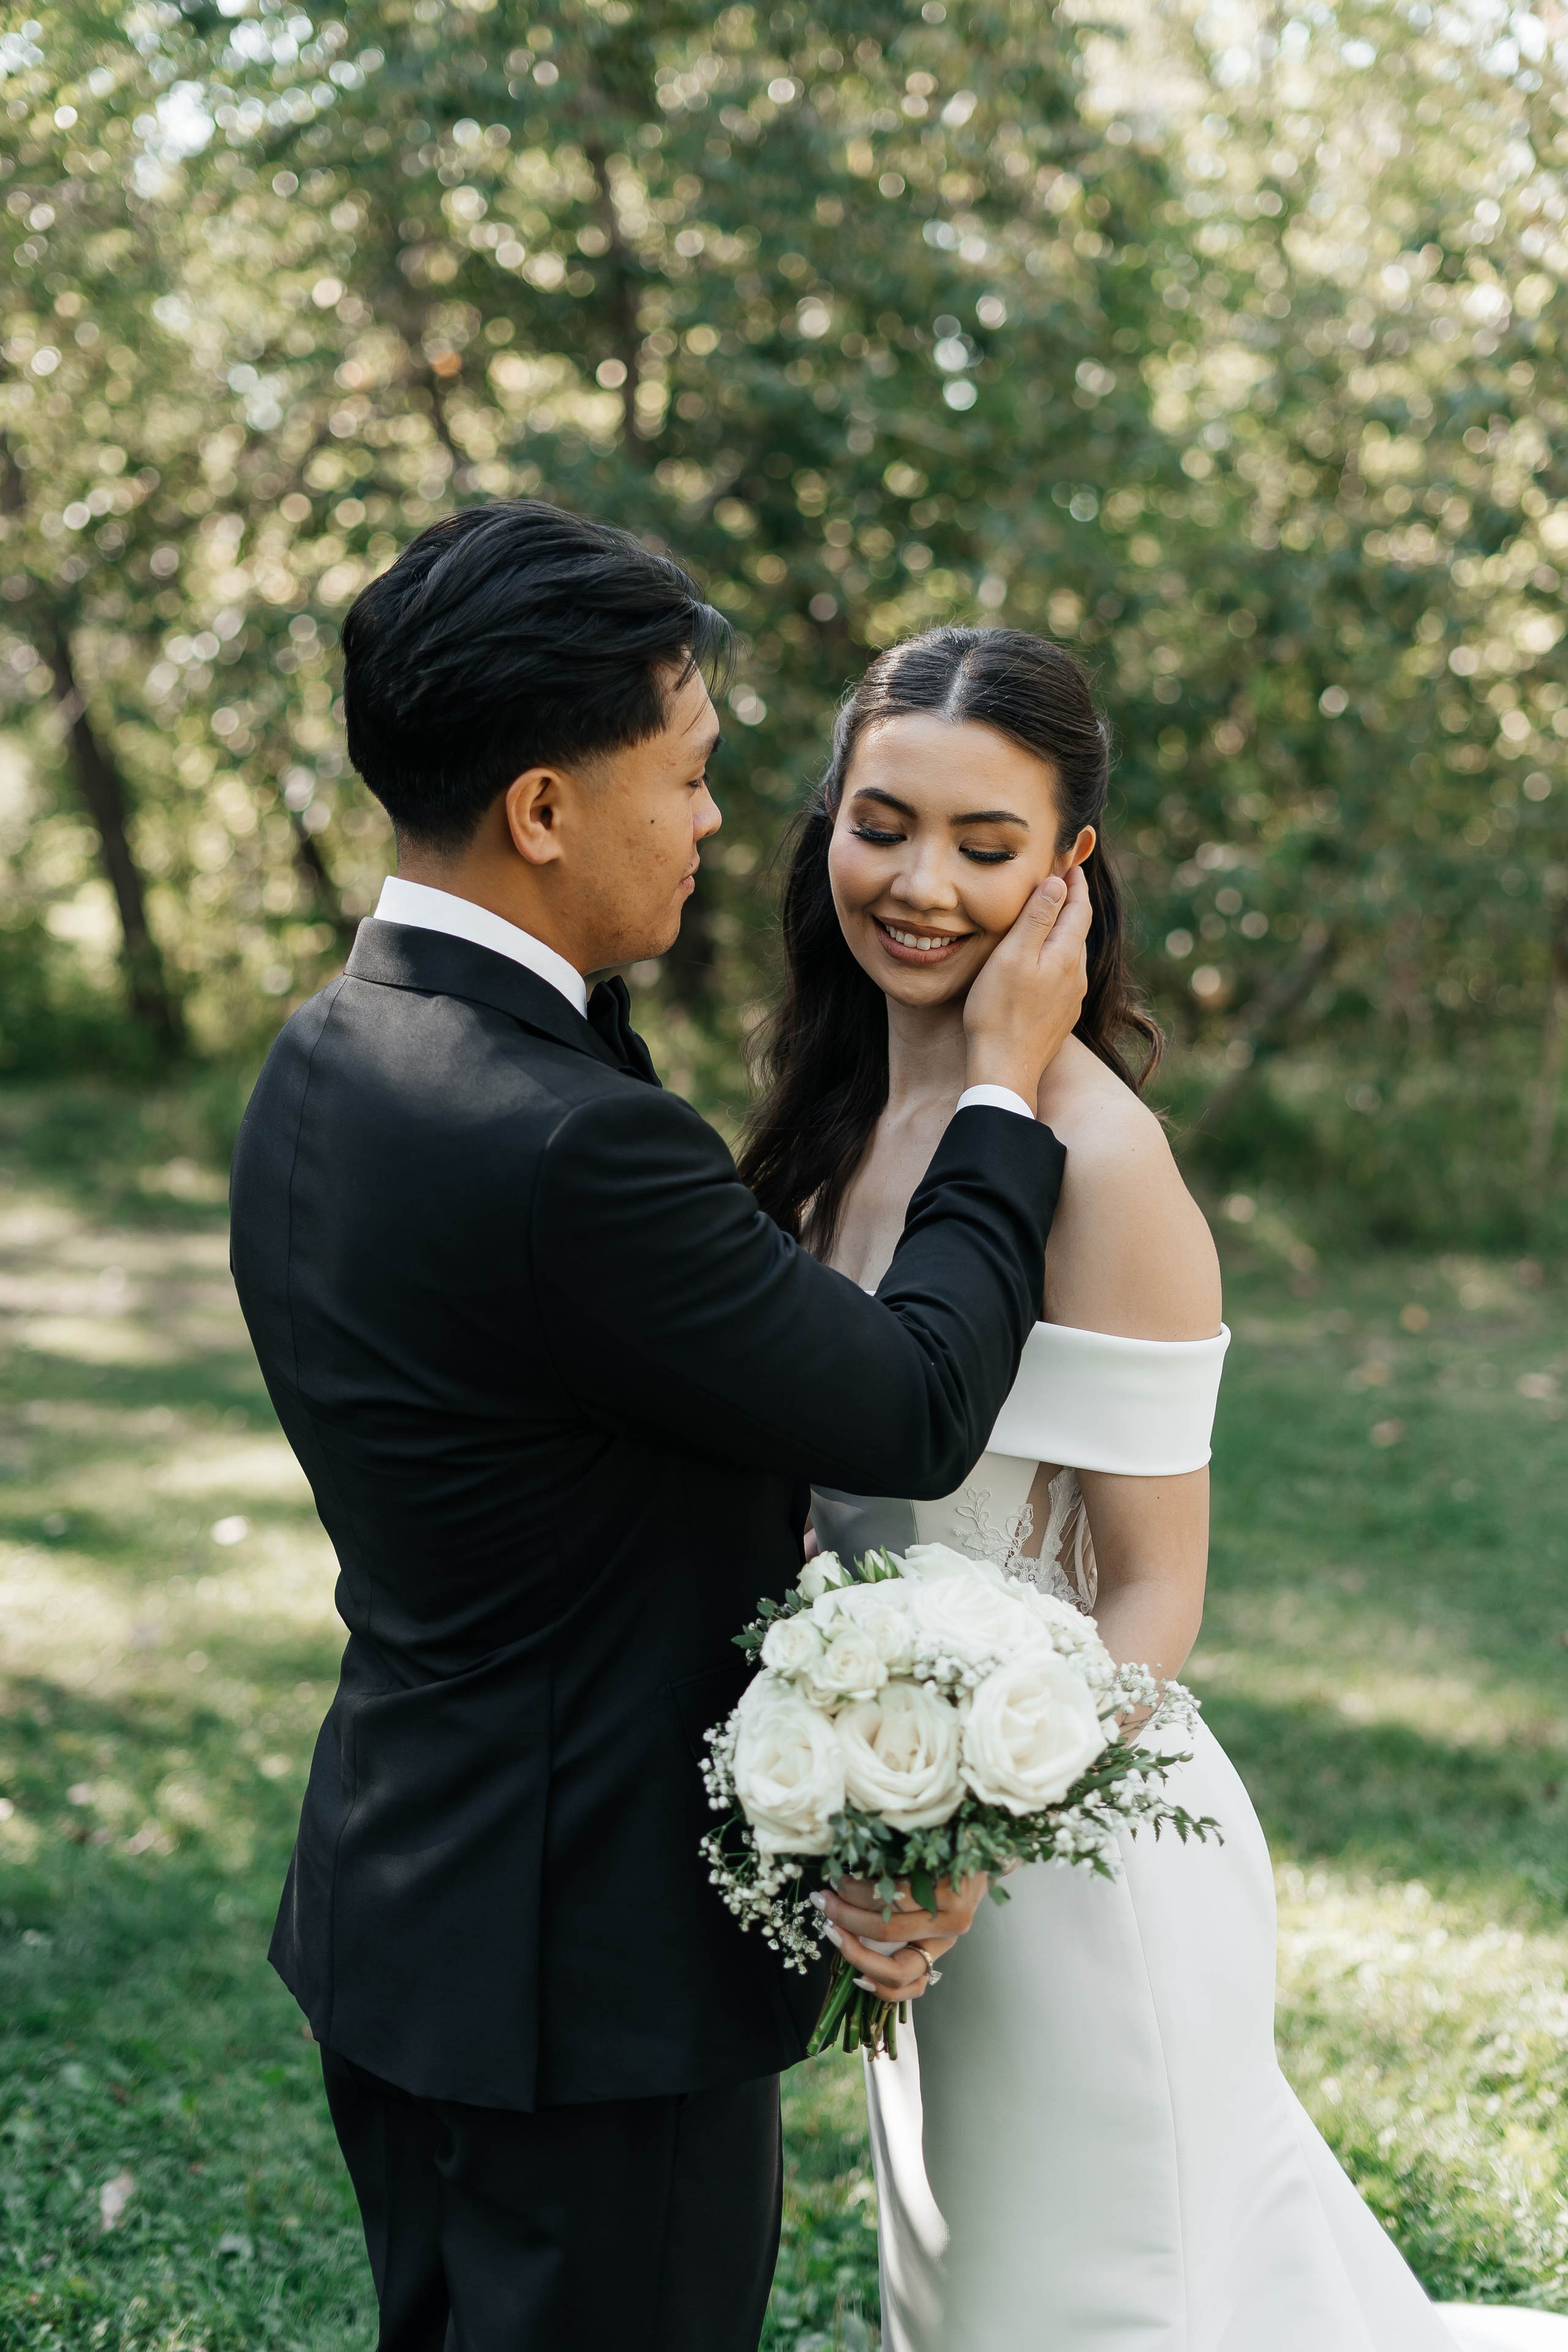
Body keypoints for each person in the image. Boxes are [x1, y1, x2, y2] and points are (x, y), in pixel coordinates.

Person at [227, 504, 1093, 2352]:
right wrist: (1005, 1096)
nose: (717, 821)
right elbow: (915, 1399)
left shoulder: (326, 1055)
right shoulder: (566, 1139)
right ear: (544, 809)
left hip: (404, 1906)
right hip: (585, 1981)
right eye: (689, 776)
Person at [740, 624, 1568, 2352]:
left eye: (988, 846)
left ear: (1070, 874)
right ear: (826, 822)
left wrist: (979, 1836)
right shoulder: (822, 1127)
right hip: (906, 1858)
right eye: (883, 824)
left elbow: (1153, 1594)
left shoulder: (1104, 1168)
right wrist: (852, 1804)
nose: (923, 886)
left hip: (1081, 1867)